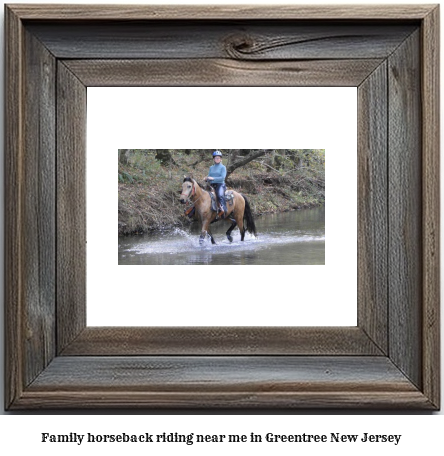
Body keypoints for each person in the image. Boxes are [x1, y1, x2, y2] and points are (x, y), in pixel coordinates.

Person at [204, 150, 227, 218]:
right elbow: (209, 176)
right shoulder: (211, 167)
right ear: (213, 159)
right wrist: (206, 178)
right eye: (216, 158)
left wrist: (213, 178)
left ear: (220, 159)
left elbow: (222, 178)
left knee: (219, 195)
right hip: (211, 185)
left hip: (220, 185)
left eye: (218, 158)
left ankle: (223, 210)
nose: (217, 159)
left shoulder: (223, 167)